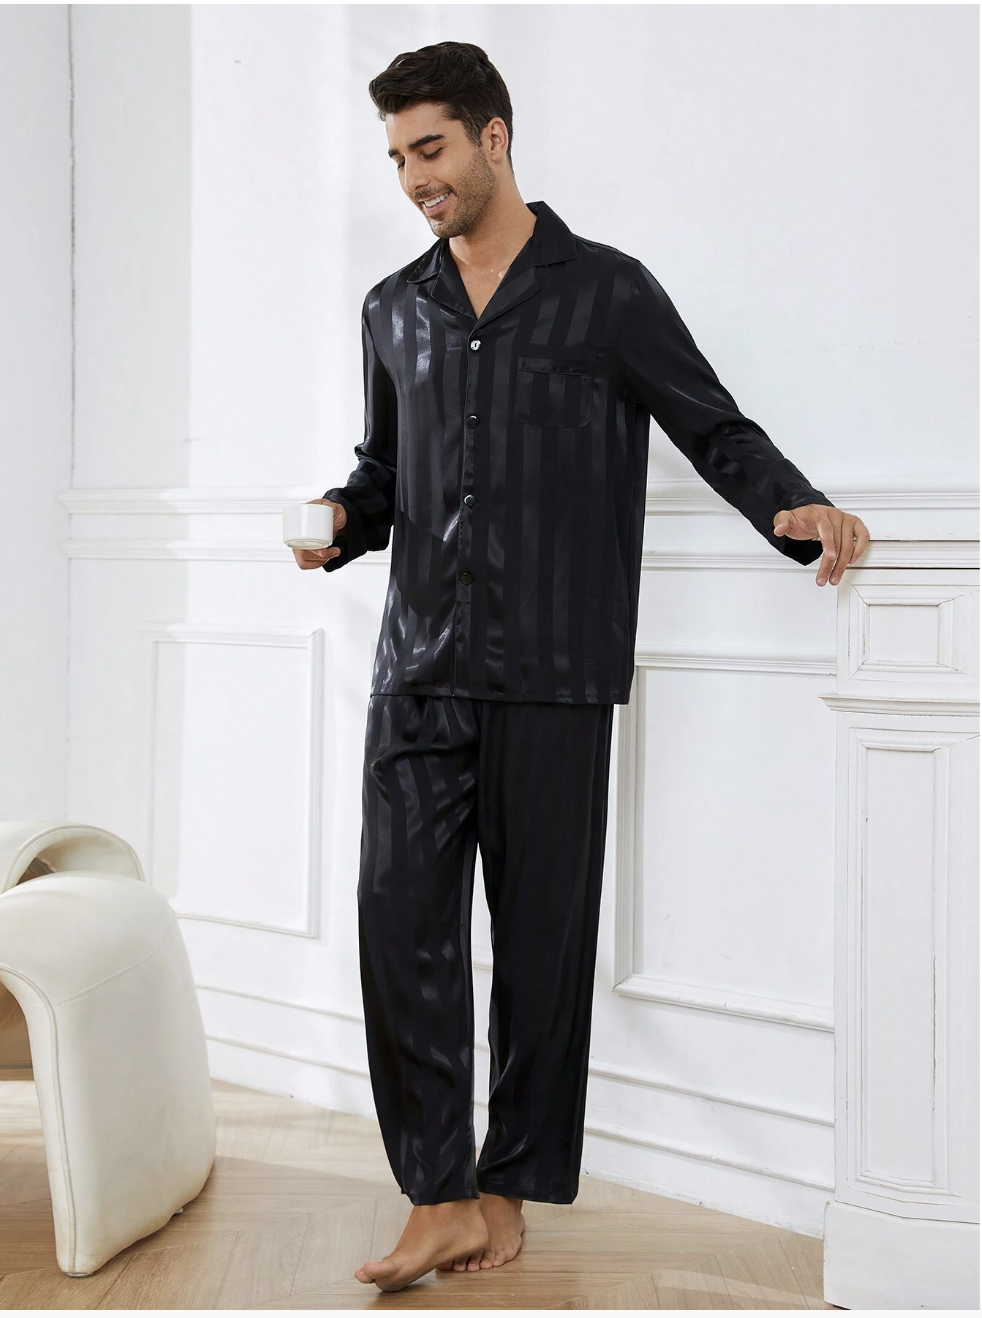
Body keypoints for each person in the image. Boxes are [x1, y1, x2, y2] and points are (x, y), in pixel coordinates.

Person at [292, 41, 870, 1293]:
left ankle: (505, 1188)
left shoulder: (605, 292)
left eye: (431, 149)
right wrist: (343, 518)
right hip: (419, 666)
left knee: (542, 946)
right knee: (399, 923)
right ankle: (436, 1192)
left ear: (494, 138)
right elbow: (386, 473)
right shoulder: (393, 307)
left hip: (555, 665)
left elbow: (711, 423)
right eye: (396, 158)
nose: (414, 178)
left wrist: (796, 509)